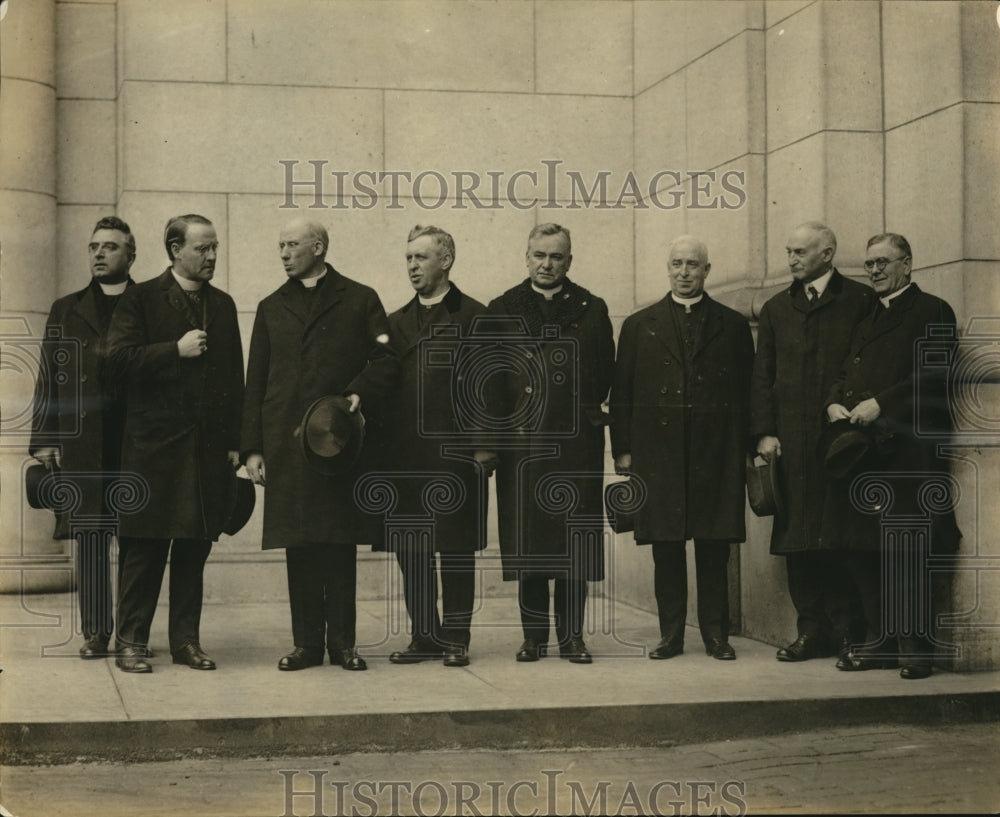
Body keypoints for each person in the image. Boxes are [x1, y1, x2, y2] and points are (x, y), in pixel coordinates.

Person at [241, 218, 398, 672]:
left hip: (338, 443)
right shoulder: (271, 306)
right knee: (300, 545)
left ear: (319, 247)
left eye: (292, 245)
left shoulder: (361, 299)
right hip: (287, 447)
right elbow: (257, 382)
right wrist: (253, 448)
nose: (284, 253)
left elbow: (386, 355)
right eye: (280, 245)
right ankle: (306, 645)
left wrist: (359, 392)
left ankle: (343, 645)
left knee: (338, 543)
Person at [105, 214, 244, 673]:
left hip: (204, 453)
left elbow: (232, 380)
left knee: (193, 550)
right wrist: (174, 350)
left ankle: (186, 643)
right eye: (203, 248)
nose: (212, 257)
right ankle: (131, 642)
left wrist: (233, 445)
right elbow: (117, 363)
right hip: (152, 451)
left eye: (215, 247)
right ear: (174, 249)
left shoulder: (222, 305)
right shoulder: (140, 299)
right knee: (143, 549)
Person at [822, 233, 961, 680]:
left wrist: (881, 404)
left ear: (907, 264)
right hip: (865, 455)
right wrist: (834, 402)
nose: (875, 271)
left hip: (907, 455)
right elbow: (842, 372)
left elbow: (936, 372)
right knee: (862, 549)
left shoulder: (933, 310)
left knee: (907, 550)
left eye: (884, 262)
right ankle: (880, 641)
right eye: (869, 264)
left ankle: (915, 648)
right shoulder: (866, 317)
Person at [610, 236, 754, 661]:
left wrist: (745, 448)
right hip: (659, 456)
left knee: (714, 548)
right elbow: (622, 394)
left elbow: (747, 391)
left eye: (693, 264)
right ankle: (670, 635)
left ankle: (716, 635)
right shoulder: (639, 325)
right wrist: (623, 451)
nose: (684, 271)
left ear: (707, 270)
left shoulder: (731, 324)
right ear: (667, 268)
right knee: (666, 549)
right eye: (677, 263)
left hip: (715, 454)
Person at [484, 223, 614, 664]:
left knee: (573, 543)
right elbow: (489, 385)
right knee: (530, 544)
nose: (546, 264)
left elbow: (602, 373)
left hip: (576, 443)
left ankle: (573, 637)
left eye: (556, 257)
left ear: (570, 261)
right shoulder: (501, 309)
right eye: (539, 255)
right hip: (522, 446)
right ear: (526, 257)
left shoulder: (591, 308)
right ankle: (533, 636)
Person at [750, 222, 874, 662]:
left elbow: (868, 366)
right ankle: (811, 630)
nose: (792, 259)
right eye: (789, 251)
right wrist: (764, 431)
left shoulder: (860, 301)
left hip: (840, 443)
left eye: (801, 251)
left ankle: (849, 632)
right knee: (798, 540)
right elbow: (762, 377)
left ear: (828, 253)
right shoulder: (775, 307)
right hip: (790, 444)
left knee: (839, 538)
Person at [380, 225, 491, 668]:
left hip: (456, 454)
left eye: (421, 258)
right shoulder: (392, 323)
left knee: (456, 547)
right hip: (406, 455)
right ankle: (424, 635)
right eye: (408, 258)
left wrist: (485, 449)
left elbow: (489, 388)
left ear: (445, 261)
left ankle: (457, 636)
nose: (412, 266)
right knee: (413, 548)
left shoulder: (476, 317)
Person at [30, 216, 137, 659]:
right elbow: (47, 377)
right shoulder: (66, 308)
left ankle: (134, 632)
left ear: (131, 254)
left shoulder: (148, 304)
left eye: (110, 246)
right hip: (84, 441)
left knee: (136, 535)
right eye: (94, 246)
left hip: (136, 439)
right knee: (91, 535)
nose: (99, 253)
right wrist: (45, 438)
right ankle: (96, 632)